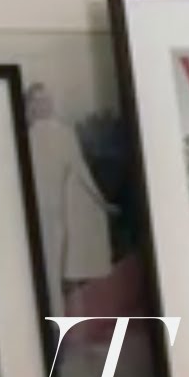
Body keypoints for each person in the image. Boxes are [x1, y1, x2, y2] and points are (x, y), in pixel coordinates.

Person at [24, 82, 117, 319]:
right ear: (30, 106)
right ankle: (47, 320)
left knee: (54, 269)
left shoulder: (64, 134)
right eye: (39, 100)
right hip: (32, 212)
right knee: (39, 269)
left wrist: (101, 201)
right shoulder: (26, 137)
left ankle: (56, 321)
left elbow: (80, 171)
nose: (45, 104)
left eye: (47, 99)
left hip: (55, 213)